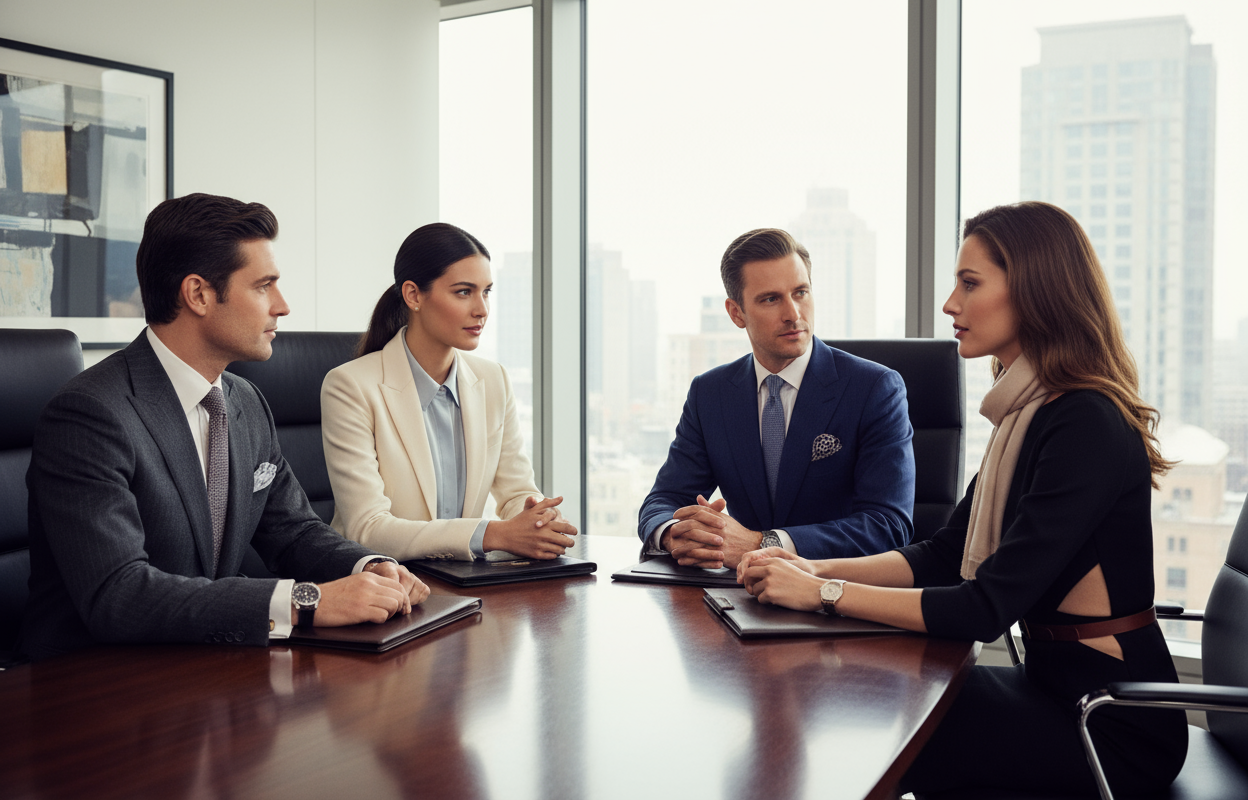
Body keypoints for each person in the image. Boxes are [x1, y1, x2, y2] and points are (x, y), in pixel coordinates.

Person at [738, 202, 1188, 795]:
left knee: (893, 724)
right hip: (1056, 691)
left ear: (1035, 290)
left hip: (1109, 724)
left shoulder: (1085, 424)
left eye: (969, 283)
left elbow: (986, 608)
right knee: (871, 688)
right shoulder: (1027, 413)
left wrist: (823, 594)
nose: (950, 304)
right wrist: (809, 566)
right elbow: (945, 552)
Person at [21, 193, 430, 662]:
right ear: (198, 294)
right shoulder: (90, 414)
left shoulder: (243, 400)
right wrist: (305, 602)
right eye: (263, 286)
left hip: (203, 663)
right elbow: (120, 595)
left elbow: (292, 530)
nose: (283, 305)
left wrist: (370, 565)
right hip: (90, 684)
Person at [638, 227, 915, 570]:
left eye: (800, 292)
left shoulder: (875, 389)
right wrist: (675, 533)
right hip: (738, 597)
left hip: (835, 597)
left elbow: (888, 526)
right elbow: (664, 499)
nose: (793, 313)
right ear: (736, 313)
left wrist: (762, 544)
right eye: (771, 299)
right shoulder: (710, 393)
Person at [321, 222, 577, 562]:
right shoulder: (350, 386)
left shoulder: (494, 380)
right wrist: (493, 534)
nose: (482, 310)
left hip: (463, 582)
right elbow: (367, 528)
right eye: (463, 292)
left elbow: (516, 491)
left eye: (487, 291)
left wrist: (538, 516)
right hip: (378, 585)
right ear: (413, 295)